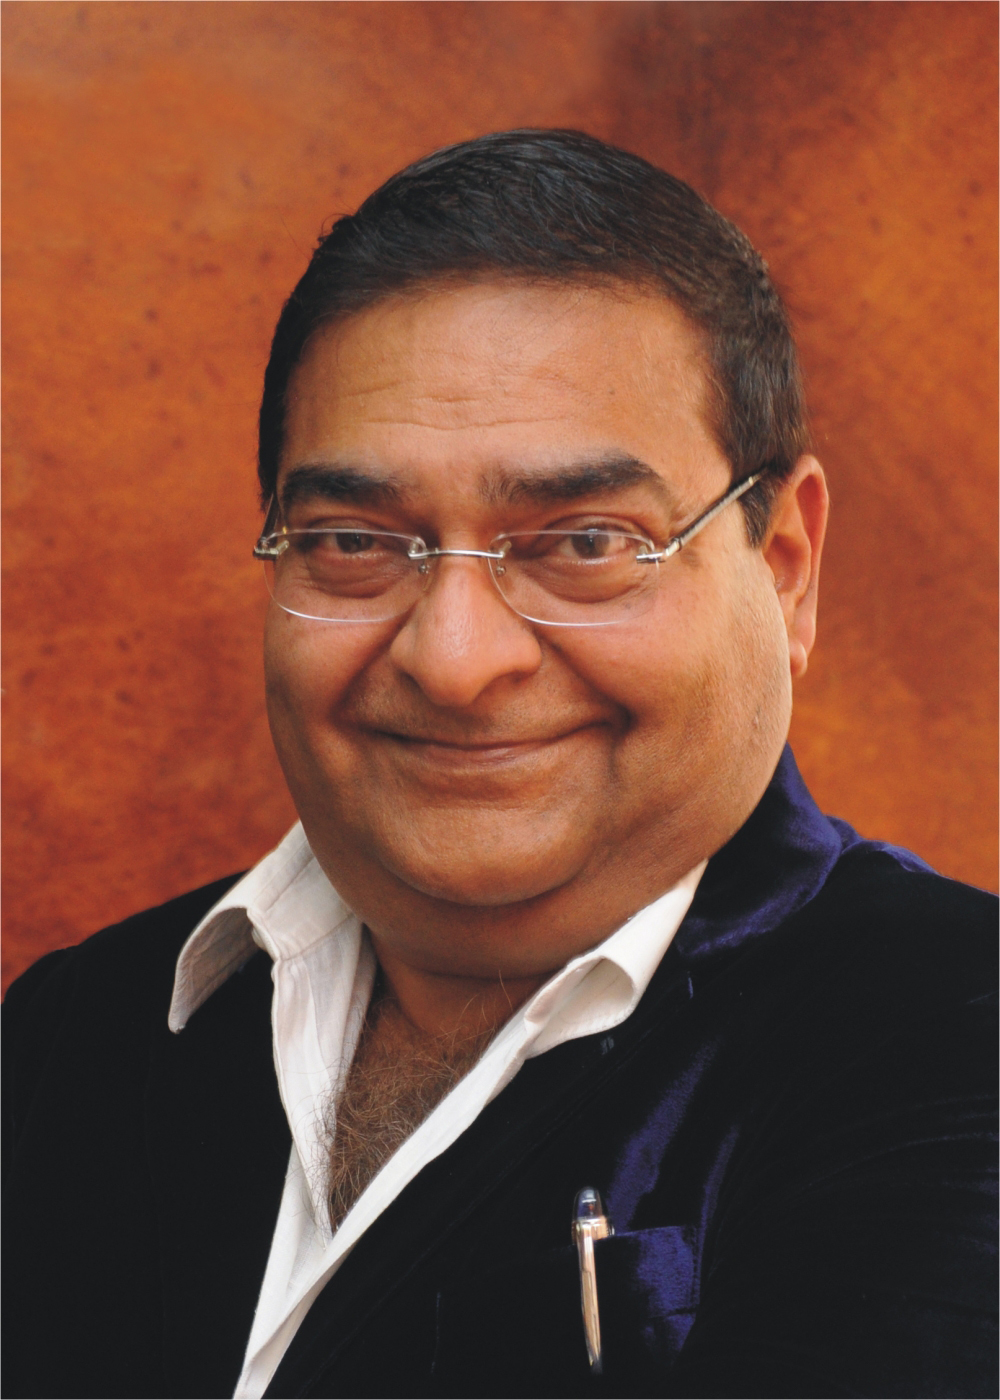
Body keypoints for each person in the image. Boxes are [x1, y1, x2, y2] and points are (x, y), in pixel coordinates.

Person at [3, 130, 995, 1400]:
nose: (455, 659)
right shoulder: (72, 1034)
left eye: (583, 541)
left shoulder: (954, 1036)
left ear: (786, 567)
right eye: (355, 541)